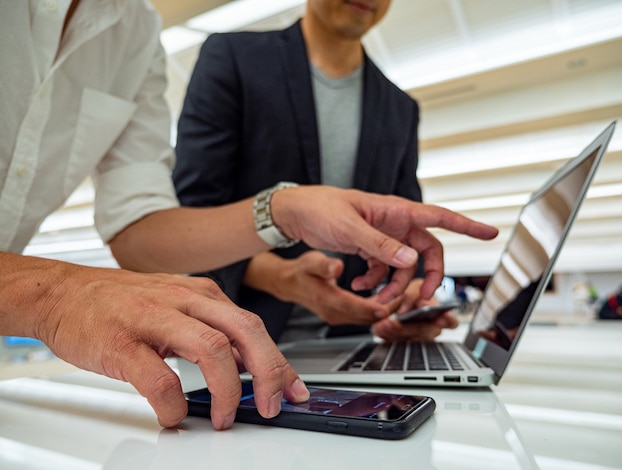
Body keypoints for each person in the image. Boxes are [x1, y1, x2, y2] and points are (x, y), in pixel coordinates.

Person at [0, 1, 498, 430]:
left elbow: (141, 226)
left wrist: (403, 295)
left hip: (345, 351)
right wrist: (279, 265)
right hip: (235, 339)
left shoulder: (133, 28)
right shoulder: (234, 57)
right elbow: (189, 207)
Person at [174, 0, 454, 344]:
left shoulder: (400, 108)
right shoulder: (233, 57)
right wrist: (282, 277)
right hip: (237, 341)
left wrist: (414, 293)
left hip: (354, 344)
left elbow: (405, 225)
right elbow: (191, 215)